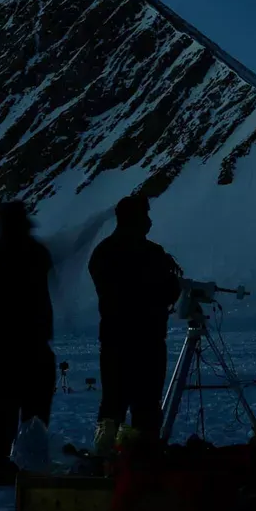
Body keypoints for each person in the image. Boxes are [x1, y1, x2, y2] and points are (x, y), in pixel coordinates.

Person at [0, 200, 56, 487]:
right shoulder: (33, 254)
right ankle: (26, 463)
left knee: (8, 408)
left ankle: (6, 466)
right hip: (26, 345)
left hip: (8, 348)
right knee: (32, 409)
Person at [89, 194, 183, 454]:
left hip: (114, 342)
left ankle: (106, 459)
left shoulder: (103, 253)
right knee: (146, 407)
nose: (150, 222)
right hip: (147, 342)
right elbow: (167, 292)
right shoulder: (152, 254)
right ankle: (143, 463)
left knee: (112, 404)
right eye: (145, 216)